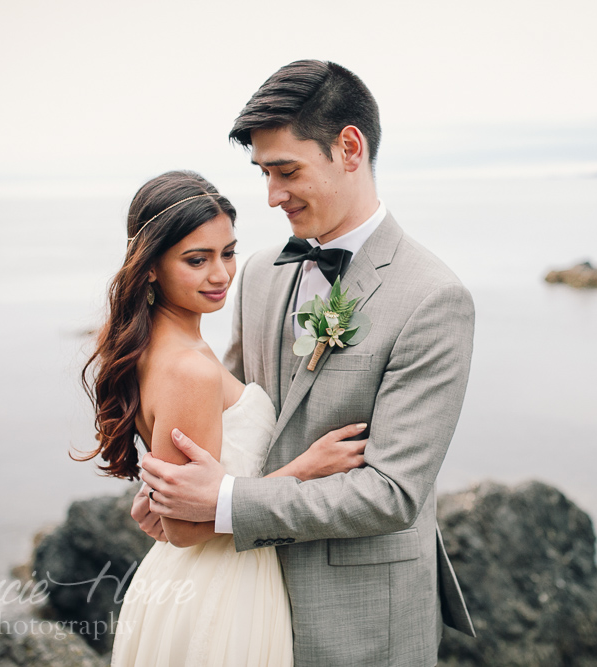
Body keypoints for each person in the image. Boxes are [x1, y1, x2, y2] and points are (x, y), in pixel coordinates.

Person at [136, 61, 477, 666]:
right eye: (264, 173)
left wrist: (222, 504)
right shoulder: (262, 273)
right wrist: (167, 491)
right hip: (239, 602)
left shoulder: (433, 298)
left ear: (349, 147)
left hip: (363, 617)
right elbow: (234, 422)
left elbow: (391, 493)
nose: (271, 196)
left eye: (287, 171)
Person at [78, 170, 368, 666]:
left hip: (198, 579)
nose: (221, 275)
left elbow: (176, 508)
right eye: (197, 260)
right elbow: (187, 527)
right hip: (221, 592)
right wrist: (304, 468)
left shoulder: (161, 346)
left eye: (228, 253)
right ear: (150, 267)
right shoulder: (189, 368)